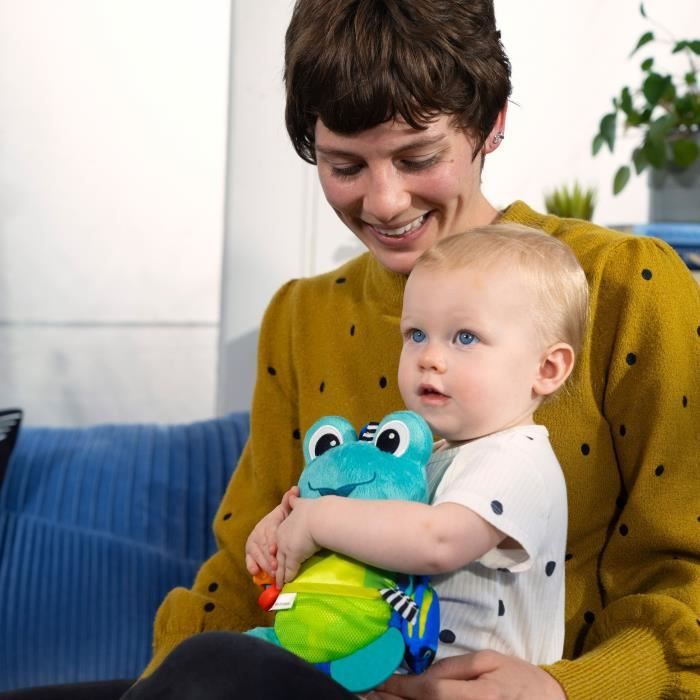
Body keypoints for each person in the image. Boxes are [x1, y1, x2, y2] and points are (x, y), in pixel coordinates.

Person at [5, 1, 697, 698]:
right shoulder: (302, 315)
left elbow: (684, 576)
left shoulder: (623, 287)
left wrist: (563, 691)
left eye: (417, 157)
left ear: (493, 124)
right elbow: (241, 580)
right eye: (345, 165)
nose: (385, 202)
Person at [246, 224, 588, 678]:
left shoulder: (516, 459)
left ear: (547, 368)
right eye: (416, 334)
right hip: (386, 674)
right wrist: (288, 526)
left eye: (465, 337)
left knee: (217, 667)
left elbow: (436, 542)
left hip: (469, 689)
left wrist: (320, 519)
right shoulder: (430, 457)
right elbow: (375, 533)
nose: (429, 357)